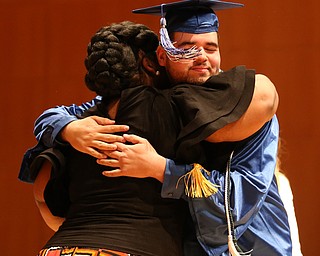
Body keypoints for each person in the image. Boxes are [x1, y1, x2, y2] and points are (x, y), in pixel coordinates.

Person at [20, 1, 292, 255]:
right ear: (161, 57)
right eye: (187, 47)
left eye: (211, 48)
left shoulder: (240, 107)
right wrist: (69, 129)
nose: (201, 57)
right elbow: (60, 114)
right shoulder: (152, 102)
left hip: (247, 244)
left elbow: (236, 204)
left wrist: (160, 168)